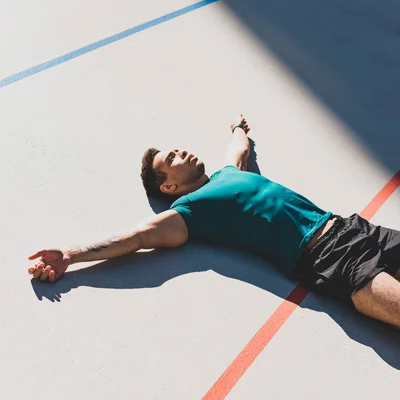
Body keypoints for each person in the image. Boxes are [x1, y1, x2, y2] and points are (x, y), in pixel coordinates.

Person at [28, 115, 400, 327]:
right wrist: (71, 254)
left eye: (175, 148)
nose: (180, 151)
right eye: (171, 158)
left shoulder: (227, 172)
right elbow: (138, 236)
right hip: (328, 259)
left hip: (351, 227)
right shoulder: (191, 210)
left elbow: (238, 149)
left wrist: (237, 127)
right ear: (169, 185)